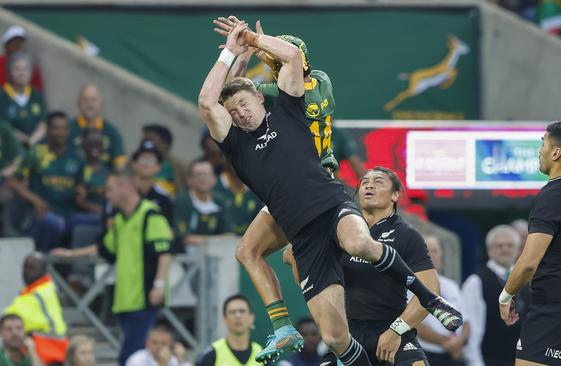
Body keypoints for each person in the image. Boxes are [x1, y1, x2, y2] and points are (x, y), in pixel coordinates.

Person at [200, 18, 461, 366]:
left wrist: (251, 39)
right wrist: (232, 56)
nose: (241, 113)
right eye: (233, 112)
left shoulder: (287, 110)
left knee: (359, 244)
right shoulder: (235, 143)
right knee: (335, 338)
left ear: (261, 96)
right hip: (299, 230)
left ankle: (430, 300)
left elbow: (291, 56)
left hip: (328, 200)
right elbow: (208, 100)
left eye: (245, 104)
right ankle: (285, 328)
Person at [212, 17, 365, 362]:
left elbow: (238, 94)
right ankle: (334, 332)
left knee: (255, 252)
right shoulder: (322, 81)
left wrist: (244, 49)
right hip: (323, 171)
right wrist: (257, 47)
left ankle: (290, 324)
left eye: (272, 66)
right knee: (288, 255)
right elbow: (249, 88)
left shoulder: (276, 97)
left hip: (304, 183)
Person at [308, 167, 440, 366]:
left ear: (395, 195)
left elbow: (431, 290)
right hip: (347, 335)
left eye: (378, 182)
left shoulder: (406, 235)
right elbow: (292, 258)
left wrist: (396, 330)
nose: (369, 185)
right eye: (364, 182)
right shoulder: (340, 230)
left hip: (392, 330)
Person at [498, 121, 561, 366]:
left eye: (543, 143)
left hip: (556, 302)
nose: (540, 150)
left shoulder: (552, 194)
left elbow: (527, 264)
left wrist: (505, 296)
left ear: (556, 153)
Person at [52, 170, 173, 366]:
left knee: (131, 358)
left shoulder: (150, 214)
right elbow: (104, 248)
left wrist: (159, 285)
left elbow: (165, 251)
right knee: (130, 358)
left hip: (144, 301)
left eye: (109, 189)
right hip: (124, 300)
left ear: (124, 188)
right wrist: (70, 253)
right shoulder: (119, 220)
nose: (106, 195)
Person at [8, 111, 84, 252]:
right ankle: (45, 262)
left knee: (96, 222)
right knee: (54, 224)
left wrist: (82, 194)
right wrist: (35, 199)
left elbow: (80, 188)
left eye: (64, 128)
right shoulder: (36, 153)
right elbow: (12, 182)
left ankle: (78, 267)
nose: (60, 133)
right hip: (41, 215)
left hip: (69, 214)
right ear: (48, 130)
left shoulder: (77, 157)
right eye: (55, 128)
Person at [461, 225, 524, 366]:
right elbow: (471, 329)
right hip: (488, 360)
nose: (505, 249)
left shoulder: (528, 280)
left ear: (518, 249)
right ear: (489, 250)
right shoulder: (476, 281)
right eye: (499, 245)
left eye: (510, 245)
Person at [416, 236, 469, 366]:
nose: (432, 255)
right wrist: (445, 342)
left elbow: (467, 321)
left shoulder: (452, 285)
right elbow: (415, 324)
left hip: (454, 356)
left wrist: (459, 341)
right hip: (427, 355)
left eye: (435, 251)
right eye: (427, 251)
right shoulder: (411, 286)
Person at [3, 252, 67, 337]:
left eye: (32, 268)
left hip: (49, 343)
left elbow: (18, 319)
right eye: (25, 267)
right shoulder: (34, 290)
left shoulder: (42, 293)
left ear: (44, 271)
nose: (27, 272)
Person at [173, 159, 232, 250]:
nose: (202, 178)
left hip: (216, 252)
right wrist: (215, 240)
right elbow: (184, 238)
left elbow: (228, 235)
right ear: (189, 180)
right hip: (184, 256)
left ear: (214, 179)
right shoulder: (181, 201)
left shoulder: (221, 201)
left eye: (206, 174)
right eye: (198, 174)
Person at [69, 84, 126, 169]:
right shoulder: (68, 128)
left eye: (93, 100)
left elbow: (120, 164)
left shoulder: (112, 132)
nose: (89, 104)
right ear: (78, 103)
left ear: (101, 104)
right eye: (85, 100)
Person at [195, 294, 262, 366]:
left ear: (251, 317)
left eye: (242, 311)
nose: (237, 316)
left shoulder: (263, 355)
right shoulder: (209, 356)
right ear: (224, 318)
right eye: (232, 312)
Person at [0, 52, 46, 147]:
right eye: (17, 69)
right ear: (9, 72)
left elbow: (43, 124)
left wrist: (31, 141)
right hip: (9, 147)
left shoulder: (37, 96)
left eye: (25, 69)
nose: (21, 73)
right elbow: (4, 126)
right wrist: (23, 140)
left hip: (36, 145)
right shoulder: (2, 96)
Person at [131, 139, 175, 229]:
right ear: (134, 164)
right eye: (143, 159)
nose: (146, 164)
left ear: (159, 167)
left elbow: (168, 228)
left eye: (151, 160)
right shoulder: (123, 192)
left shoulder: (164, 197)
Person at [141, 124, 186, 197]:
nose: (146, 144)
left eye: (150, 141)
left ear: (165, 144)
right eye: (143, 141)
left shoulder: (179, 167)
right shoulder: (134, 163)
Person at [75, 129, 110, 217]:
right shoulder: (79, 170)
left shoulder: (109, 170)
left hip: (108, 216)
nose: (95, 147)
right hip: (86, 217)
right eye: (91, 143)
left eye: (98, 143)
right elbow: (80, 201)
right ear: (83, 145)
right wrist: (102, 211)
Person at [0, 26, 43, 90]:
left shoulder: (32, 65)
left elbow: (38, 90)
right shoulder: (1, 62)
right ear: (6, 45)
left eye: (20, 41)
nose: (17, 44)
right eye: (13, 42)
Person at [126, 325, 190, 366]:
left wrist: (182, 361)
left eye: (163, 343)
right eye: (154, 343)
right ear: (147, 343)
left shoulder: (174, 359)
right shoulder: (136, 360)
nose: (159, 347)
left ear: (171, 345)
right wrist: (162, 364)